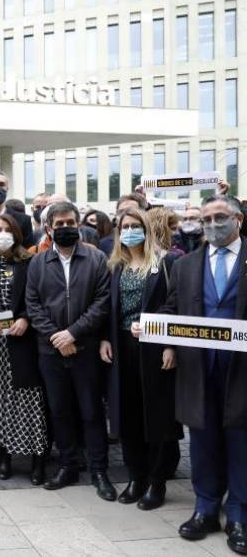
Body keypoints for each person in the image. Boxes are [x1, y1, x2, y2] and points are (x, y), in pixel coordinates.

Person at [160, 195, 247, 554]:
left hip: (241, 369)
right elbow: (171, 306)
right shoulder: (186, 264)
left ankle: (239, 514)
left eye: (220, 217)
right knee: (202, 437)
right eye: (207, 218)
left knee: (241, 439)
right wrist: (161, 335)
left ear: (238, 219)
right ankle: (205, 508)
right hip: (198, 366)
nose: (212, 224)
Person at [26, 201, 115, 501]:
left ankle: (99, 469)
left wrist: (73, 333)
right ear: (48, 229)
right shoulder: (37, 262)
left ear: (78, 225)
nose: (65, 228)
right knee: (60, 410)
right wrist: (56, 337)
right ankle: (68, 466)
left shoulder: (96, 258)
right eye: (59, 224)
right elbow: (33, 305)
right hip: (50, 351)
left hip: (85, 348)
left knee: (90, 411)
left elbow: (102, 302)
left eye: (70, 223)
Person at [99, 208, 182, 511]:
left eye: (136, 226)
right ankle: (136, 477)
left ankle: (157, 481)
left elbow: (176, 304)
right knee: (128, 413)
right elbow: (109, 307)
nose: (130, 231)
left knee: (158, 415)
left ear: (146, 230)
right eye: (125, 226)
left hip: (155, 347)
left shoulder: (166, 262)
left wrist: (171, 345)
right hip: (122, 348)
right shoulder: (116, 265)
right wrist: (106, 338)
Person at [0, 215, 49, 485]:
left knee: (29, 403)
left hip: (22, 344)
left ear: (16, 234)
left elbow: (38, 298)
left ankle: (38, 458)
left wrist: (26, 318)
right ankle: (4, 456)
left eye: (7, 230)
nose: (2, 234)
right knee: (1, 402)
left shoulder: (30, 262)